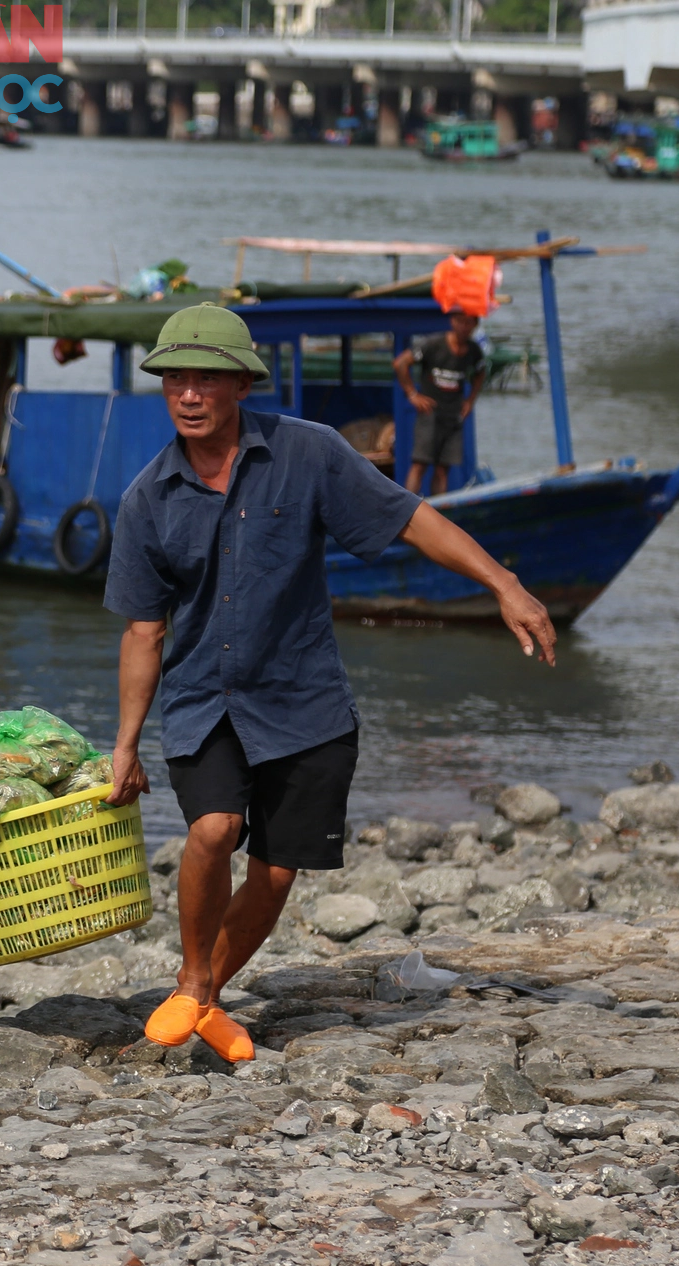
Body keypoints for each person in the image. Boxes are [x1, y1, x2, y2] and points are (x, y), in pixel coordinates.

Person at [104, 304, 556, 1061]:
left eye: (205, 379)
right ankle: (192, 978)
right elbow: (143, 631)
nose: (188, 393)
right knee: (213, 828)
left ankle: (206, 997)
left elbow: (409, 517)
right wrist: (124, 743)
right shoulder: (147, 500)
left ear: (240, 385)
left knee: (277, 874)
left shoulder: (307, 454)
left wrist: (504, 582)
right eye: (175, 378)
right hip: (202, 701)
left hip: (304, 701)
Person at [393, 310, 487, 497]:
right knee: (419, 464)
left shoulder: (473, 350)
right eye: (460, 322)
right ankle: (407, 509)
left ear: (475, 325)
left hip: (453, 415)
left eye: (469, 323)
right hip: (429, 413)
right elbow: (400, 363)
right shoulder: (434, 344)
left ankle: (439, 515)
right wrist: (412, 394)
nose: (464, 327)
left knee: (443, 469)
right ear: (452, 322)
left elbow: (481, 372)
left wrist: (470, 401)